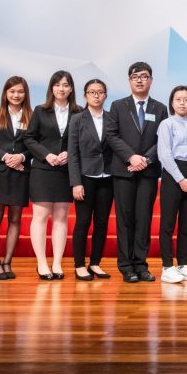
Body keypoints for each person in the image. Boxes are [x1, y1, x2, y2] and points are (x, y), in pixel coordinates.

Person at [105, 62, 169, 283]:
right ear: (129, 80)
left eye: (144, 76)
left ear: (151, 80)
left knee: (144, 219)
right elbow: (111, 135)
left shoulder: (160, 108)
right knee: (124, 220)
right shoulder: (118, 106)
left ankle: (141, 265)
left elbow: (162, 138)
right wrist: (131, 157)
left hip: (148, 172)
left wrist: (146, 159)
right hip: (123, 171)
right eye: (135, 76)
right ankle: (126, 266)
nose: (140, 80)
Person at [25, 70, 80, 280]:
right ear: (51, 88)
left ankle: (57, 263)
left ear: (71, 88)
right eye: (57, 85)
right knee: (40, 217)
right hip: (43, 168)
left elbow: (82, 140)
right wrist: (46, 155)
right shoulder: (40, 111)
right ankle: (41, 263)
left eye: (65, 85)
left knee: (61, 217)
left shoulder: (79, 112)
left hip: (66, 170)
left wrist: (70, 153)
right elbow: (29, 139)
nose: (61, 89)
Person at [0, 76, 32, 280]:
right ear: (5, 94)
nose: (16, 95)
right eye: (12, 92)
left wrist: (22, 156)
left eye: (20, 91)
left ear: (25, 93)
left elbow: (33, 144)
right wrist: (5, 156)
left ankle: (8, 262)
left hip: (21, 172)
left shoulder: (32, 116)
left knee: (15, 219)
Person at [156, 85, 187, 284]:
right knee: (168, 223)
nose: (182, 103)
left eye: (186, 99)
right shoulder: (166, 124)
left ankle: (183, 264)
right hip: (173, 175)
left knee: (186, 225)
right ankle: (167, 267)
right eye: (178, 99)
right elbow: (164, 154)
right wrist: (180, 180)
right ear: (172, 102)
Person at [67, 79, 114, 281]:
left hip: (108, 176)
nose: (96, 95)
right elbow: (73, 153)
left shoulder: (112, 118)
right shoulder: (77, 119)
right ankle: (79, 265)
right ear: (85, 95)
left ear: (105, 95)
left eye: (100, 92)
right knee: (83, 221)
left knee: (102, 223)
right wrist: (76, 182)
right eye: (92, 92)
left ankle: (95, 263)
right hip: (85, 178)